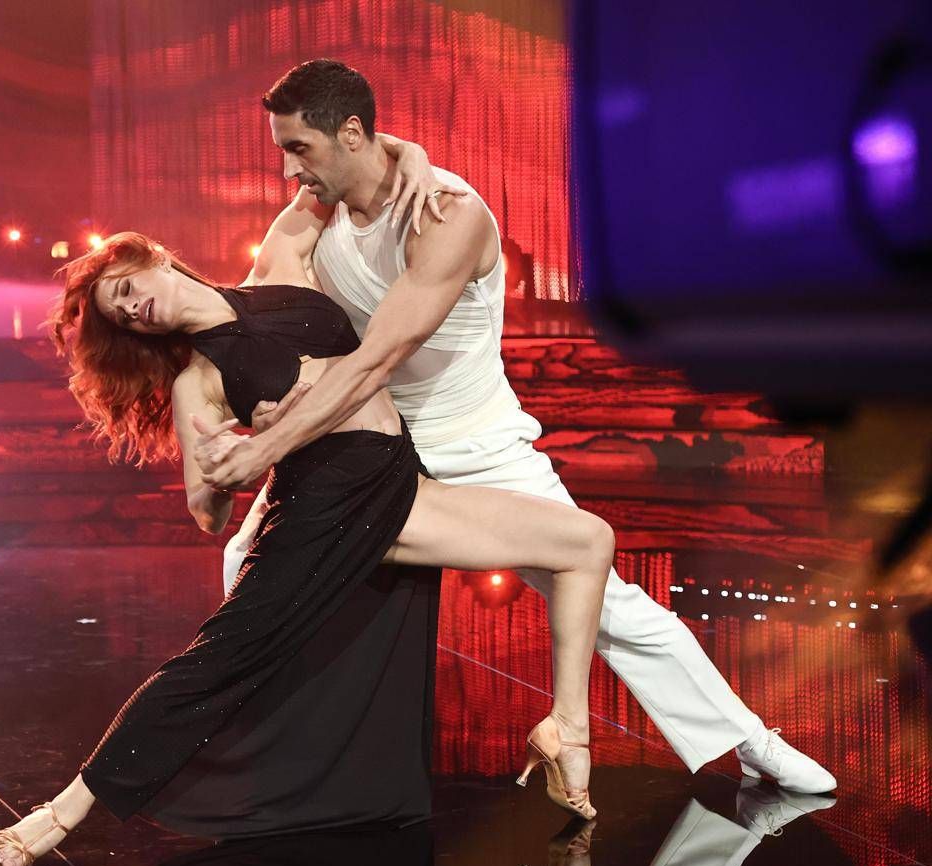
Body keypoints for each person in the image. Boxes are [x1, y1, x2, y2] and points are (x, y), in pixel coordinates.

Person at [203, 59, 837, 795]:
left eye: (299, 149)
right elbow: (257, 320)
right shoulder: (313, 212)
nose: (288, 171)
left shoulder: (451, 215)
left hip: (474, 444)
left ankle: (752, 742)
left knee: (606, 604)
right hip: (366, 436)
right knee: (247, 561)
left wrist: (266, 449)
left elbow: (378, 358)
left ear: (350, 134)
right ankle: (256, 752)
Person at [0, 149, 615, 866]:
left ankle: (565, 732)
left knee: (587, 542)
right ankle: (61, 813)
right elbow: (205, 513)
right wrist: (223, 466)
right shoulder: (200, 381)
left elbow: (331, 156)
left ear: (153, 258)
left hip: (398, 488)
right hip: (324, 513)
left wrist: (413, 159)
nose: (131, 308)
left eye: (126, 289)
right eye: (121, 314)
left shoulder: (280, 261)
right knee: (215, 663)